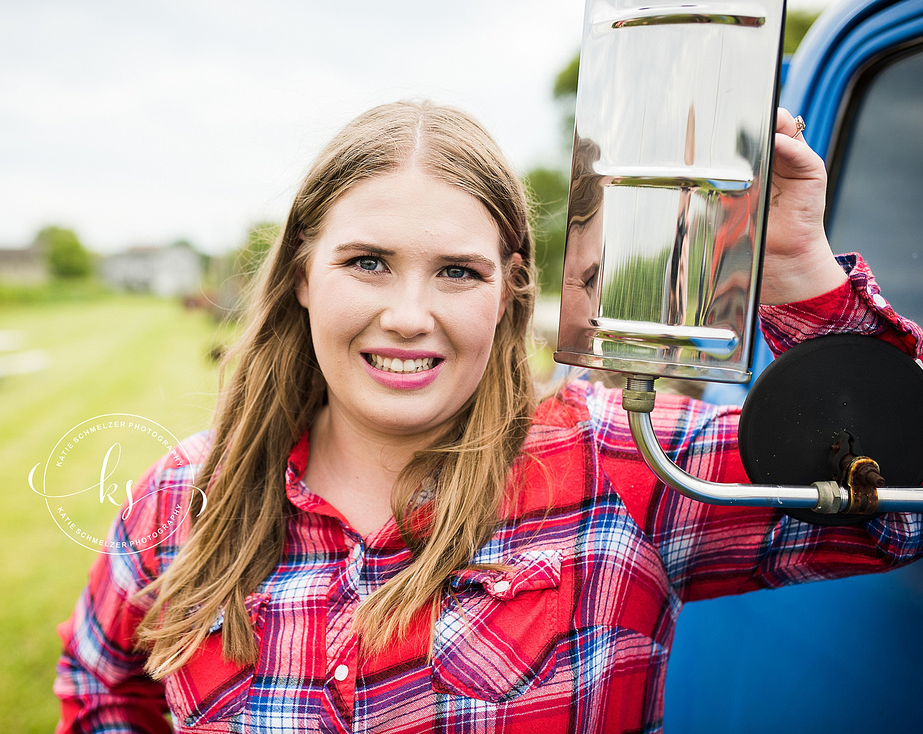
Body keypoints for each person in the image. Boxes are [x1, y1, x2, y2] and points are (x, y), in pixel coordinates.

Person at [54, 100, 922, 733]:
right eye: (367, 262)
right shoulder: (182, 500)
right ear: (301, 276)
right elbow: (101, 686)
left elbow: (896, 515)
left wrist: (799, 269)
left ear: (510, 291)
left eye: (458, 272)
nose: (408, 313)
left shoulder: (617, 468)